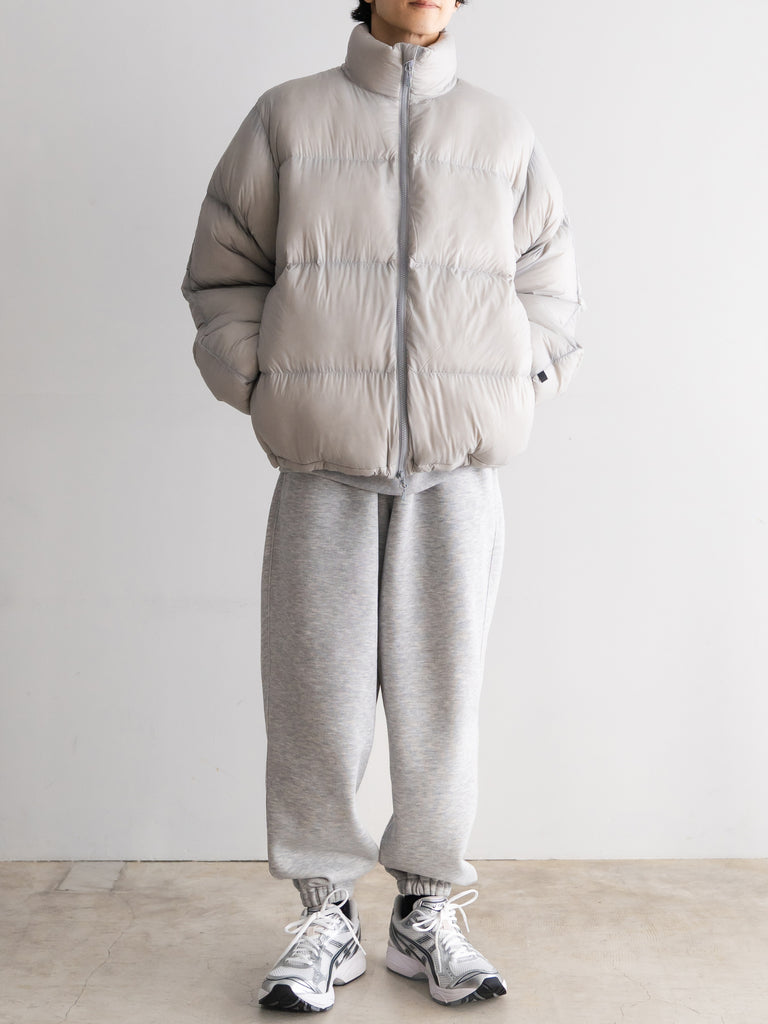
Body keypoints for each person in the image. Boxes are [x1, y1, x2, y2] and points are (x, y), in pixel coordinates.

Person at [181, 0, 585, 1012]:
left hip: (457, 476)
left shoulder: (500, 131)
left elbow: (551, 285)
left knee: (441, 706)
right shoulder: (287, 118)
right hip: (322, 471)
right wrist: (266, 383)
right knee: (313, 705)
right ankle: (326, 915)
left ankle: (426, 912)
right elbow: (222, 274)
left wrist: (518, 380)